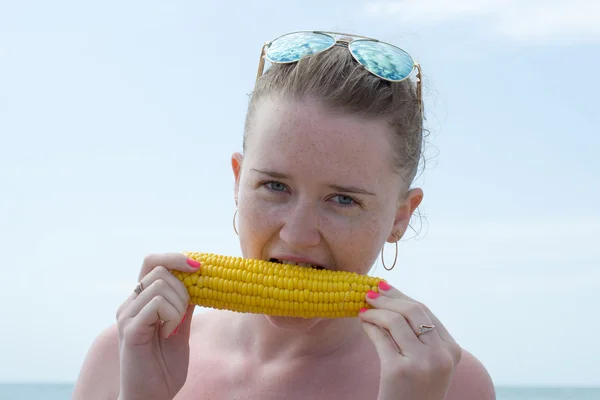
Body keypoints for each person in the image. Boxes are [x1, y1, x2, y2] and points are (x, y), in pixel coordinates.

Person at [72, 30, 496, 400]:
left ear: (401, 217)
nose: (296, 235)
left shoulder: (454, 386)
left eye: (343, 199)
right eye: (275, 186)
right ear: (238, 183)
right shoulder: (124, 355)